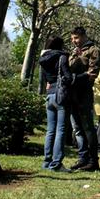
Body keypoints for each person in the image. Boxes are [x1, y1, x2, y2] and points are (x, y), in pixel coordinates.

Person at [68, 26, 100, 171]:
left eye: (76, 38)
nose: (74, 41)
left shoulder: (94, 50)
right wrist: (74, 57)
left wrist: (75, 77)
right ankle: (83, 158)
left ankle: (93, 161)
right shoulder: (74, 51)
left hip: (84, 93)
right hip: (72, 93)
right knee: (78, 129)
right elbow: (67, 68)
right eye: (72, 39)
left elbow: (92, 72)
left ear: (83, 36)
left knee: (88, 128)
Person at [38, 36, 72, 172]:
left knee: (50, 130)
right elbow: (68, 77)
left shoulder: (43, 59)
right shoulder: (62, 57)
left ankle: (47, 161)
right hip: (61, 95)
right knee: (61, 130)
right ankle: (56, 163)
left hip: (49, 95)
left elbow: (45, 78)